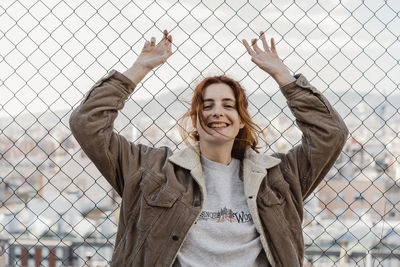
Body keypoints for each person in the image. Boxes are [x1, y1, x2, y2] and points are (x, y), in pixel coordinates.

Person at [69, 29, 348, 266]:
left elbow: (331, 133)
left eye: (228, 105)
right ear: (195, 119)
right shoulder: (150, 170)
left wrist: (284, 77)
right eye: (207, 105)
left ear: (241, 121)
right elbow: (87, 123)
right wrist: (138, 69)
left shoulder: (279, 177)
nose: (217, 112)